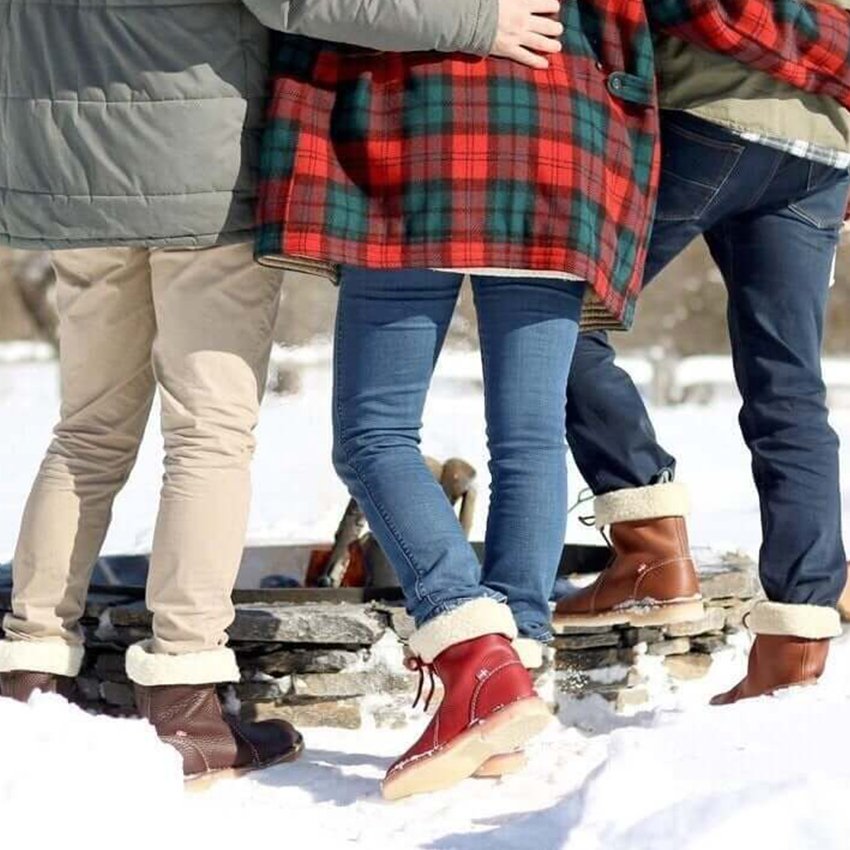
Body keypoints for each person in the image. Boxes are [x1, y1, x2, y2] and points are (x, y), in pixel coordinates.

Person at [253, 0, 850, 799]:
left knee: (391, 426)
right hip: (729, 142)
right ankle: (761, 646)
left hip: (625, 124)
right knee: (767, 394)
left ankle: (553, 606)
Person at [0, 0, 558, 782]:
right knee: (209, 434)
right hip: (198, 173)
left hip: (65, 177)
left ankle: (29, 678)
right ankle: (186, 700)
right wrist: (473, 21)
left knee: (87, 431)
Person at [555, 4, 850, 707]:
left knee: (551, 327)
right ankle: (796, 639)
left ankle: (650, 544)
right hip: (824, 146)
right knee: (790, 389)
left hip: (711, 117)